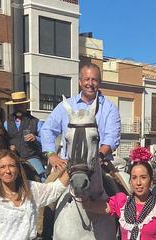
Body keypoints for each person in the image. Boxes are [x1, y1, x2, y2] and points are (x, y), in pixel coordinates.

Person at [41, 62, 120, 193]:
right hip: (68, 165)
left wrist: (98, 156)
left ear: (99, 82)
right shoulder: (65, 106)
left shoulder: (109, 107)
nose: (90, 83)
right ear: (79, 82)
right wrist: (52, 154)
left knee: (122, 191)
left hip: (99, 164)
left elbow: (112, 137)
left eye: (94, 79)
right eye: (86, 79)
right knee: (45, 195)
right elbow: (47, 129)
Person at [3, 92, 45, 178]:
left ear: (26, 105)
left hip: (31, 157)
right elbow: (3, 141)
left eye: (21, 105)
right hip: (12, 158)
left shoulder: (36, 122)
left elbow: (45, 140)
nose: (18, 108)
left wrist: (35, 138)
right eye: (16, 106)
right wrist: (9, 146)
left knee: (42, 177)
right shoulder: (6, 124)